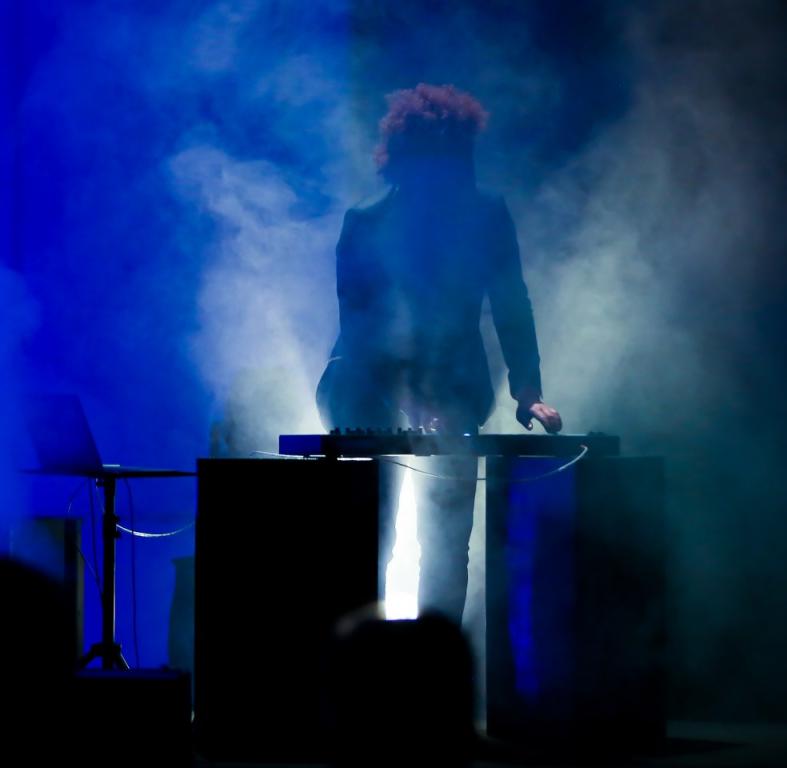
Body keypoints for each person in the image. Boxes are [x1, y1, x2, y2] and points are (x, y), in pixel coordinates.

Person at [317, 83, 561, 624]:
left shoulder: (485, 215)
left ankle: (433, 664)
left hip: (457, 389)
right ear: (406, 163)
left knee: (448, 542)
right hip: (370, 395)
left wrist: (528, 389)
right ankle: (367, 659)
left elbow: (512, 304)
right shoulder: (365, 222)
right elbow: (358, 329)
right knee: (370, 534)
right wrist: (404, 398)